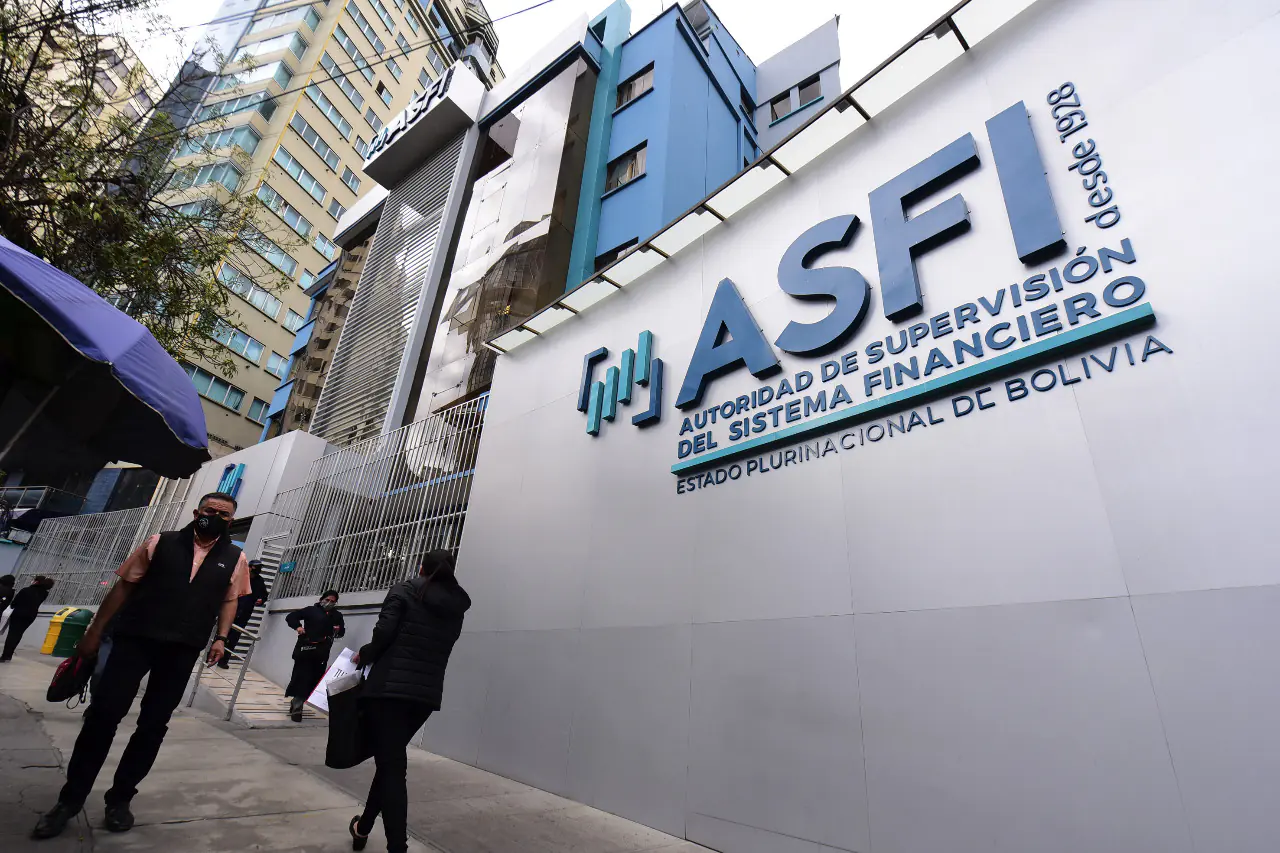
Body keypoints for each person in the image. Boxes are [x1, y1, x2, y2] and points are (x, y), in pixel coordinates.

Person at [31, 492, 250, 840]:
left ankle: (120, 800)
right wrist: (94, 630)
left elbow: (229, 601)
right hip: (135, 640)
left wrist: (222, 638)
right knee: (103, 717)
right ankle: (69, 801)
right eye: (211, 511)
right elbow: (123, 587)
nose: (217, 517)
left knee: (153, 725)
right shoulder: (160, 542)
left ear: (231, 521)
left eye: (225, 515)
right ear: (198, 512)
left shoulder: (235, 558)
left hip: (182, 649)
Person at [346, 551, 470, 853]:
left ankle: (397, 847)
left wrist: (365, 653)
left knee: (391, 767)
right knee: (389, 762)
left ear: (421, 567)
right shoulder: (456, 606)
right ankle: (363, 828)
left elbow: (383, 633)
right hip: (424, 697)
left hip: (389, 691)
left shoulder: (404, 589)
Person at [285, 589, 345, 722]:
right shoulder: (310, 610)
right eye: (327, 600)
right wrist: (298, 627)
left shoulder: (337, 616)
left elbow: (341, 632)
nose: (329, 603)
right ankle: (297, 705)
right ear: (321, 599)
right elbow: (291, 617)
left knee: (314, 679)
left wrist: (337, 630)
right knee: (301, 676)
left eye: (332, 601)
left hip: (321, 652)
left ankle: (297, 701)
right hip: (305, 649)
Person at [221, 560, 269, 668]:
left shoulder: (259, 581)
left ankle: (224, 661)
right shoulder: (240, 577)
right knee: (222, 633)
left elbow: (264, 595)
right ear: (250, 567)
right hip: (231, 610)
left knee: (234, 637)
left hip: (244, 614)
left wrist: (261, 600)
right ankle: (211, 656)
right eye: (256, 567)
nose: (258, 569)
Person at [0, 575, 54, 661]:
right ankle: (9, 655)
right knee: (19, 634)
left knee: (12, 634)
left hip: (18, 614)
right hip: (31, 616)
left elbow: (14, 603)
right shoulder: (44, 593)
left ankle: (5, 656)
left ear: (36, 582)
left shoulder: (25, 590)